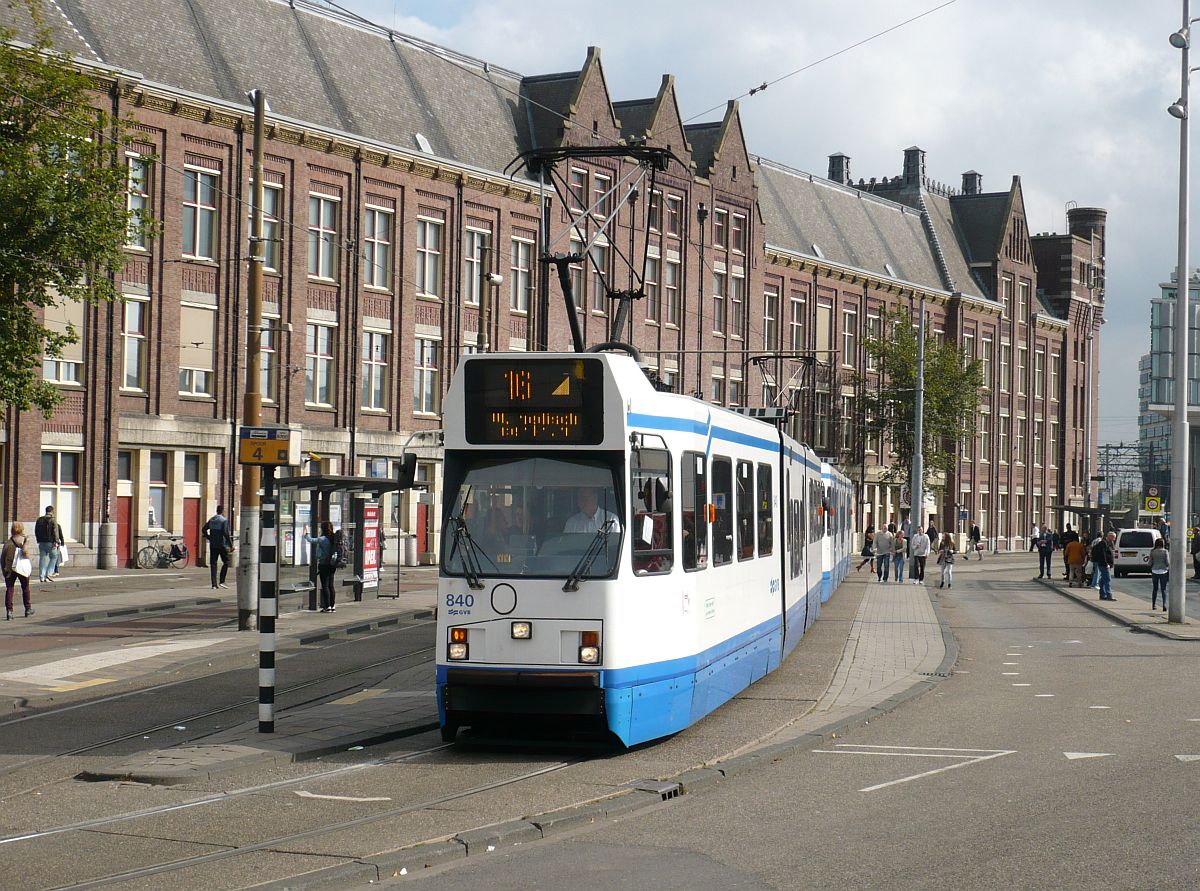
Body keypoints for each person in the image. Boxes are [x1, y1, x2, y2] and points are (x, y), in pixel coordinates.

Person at [2, 521, 34, 619]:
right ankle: (28, 609)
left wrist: (4, 570)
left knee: (10, 589)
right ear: (22, 529)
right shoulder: (24, 540)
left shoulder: (8, 542)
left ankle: (9, 611)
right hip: (22, 567)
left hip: (10, 567)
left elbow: (2, 557)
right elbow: (25, 553)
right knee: (25, 587)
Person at [306, 521, 339, 612]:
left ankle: (327, 606)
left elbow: (311, 540)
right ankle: (332, 606)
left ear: (323, 529)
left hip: (324, 564)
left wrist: (306, 532)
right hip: (332, 564)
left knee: (325, 585)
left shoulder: (323, 539)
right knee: (331, 585)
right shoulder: (334, 538)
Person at [201, 505, 233, 590]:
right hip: (222, 545)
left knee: (213, 564)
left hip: (213, 545)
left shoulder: (211, 520)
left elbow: (204, 529)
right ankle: (222, 581)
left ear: (216, 511)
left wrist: (209, 537)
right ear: (222, 511)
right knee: (226, 562)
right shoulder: (224, 521)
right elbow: (226, 534)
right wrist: (231, 545)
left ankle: (214, 584)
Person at [34, 505, 63, 583]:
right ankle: (49, 573)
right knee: (54, 557)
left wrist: (38, 539)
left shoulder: (39, 519)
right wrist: (57, 541)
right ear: (52, 511)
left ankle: (41, 576)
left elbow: (36, 530)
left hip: (41, 542)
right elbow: (55, 531)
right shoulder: (53, 520)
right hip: (50, 542)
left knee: (42, 558)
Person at [1092, 531, 1116, 601]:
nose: (1114, 539)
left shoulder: (1107, 543)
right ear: (1110, 537)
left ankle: (1102, 594)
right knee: (1107, 579)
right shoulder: (1103, 543)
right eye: (1114, 538)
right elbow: (1103, 554)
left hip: (1103, 564)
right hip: (1104, 565)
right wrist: (1106, 563)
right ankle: (1109, 595)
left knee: (1102, 580)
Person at [1149, 538, 1169, 612]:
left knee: (1155, 589)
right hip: (1163, 571)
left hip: (1155, 571)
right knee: (1163, 589)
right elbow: (1167, 562)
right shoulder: (1165, 551)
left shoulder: (1152, 551)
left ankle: (1154, 605)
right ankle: (1164, 605)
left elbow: (1150, 563)